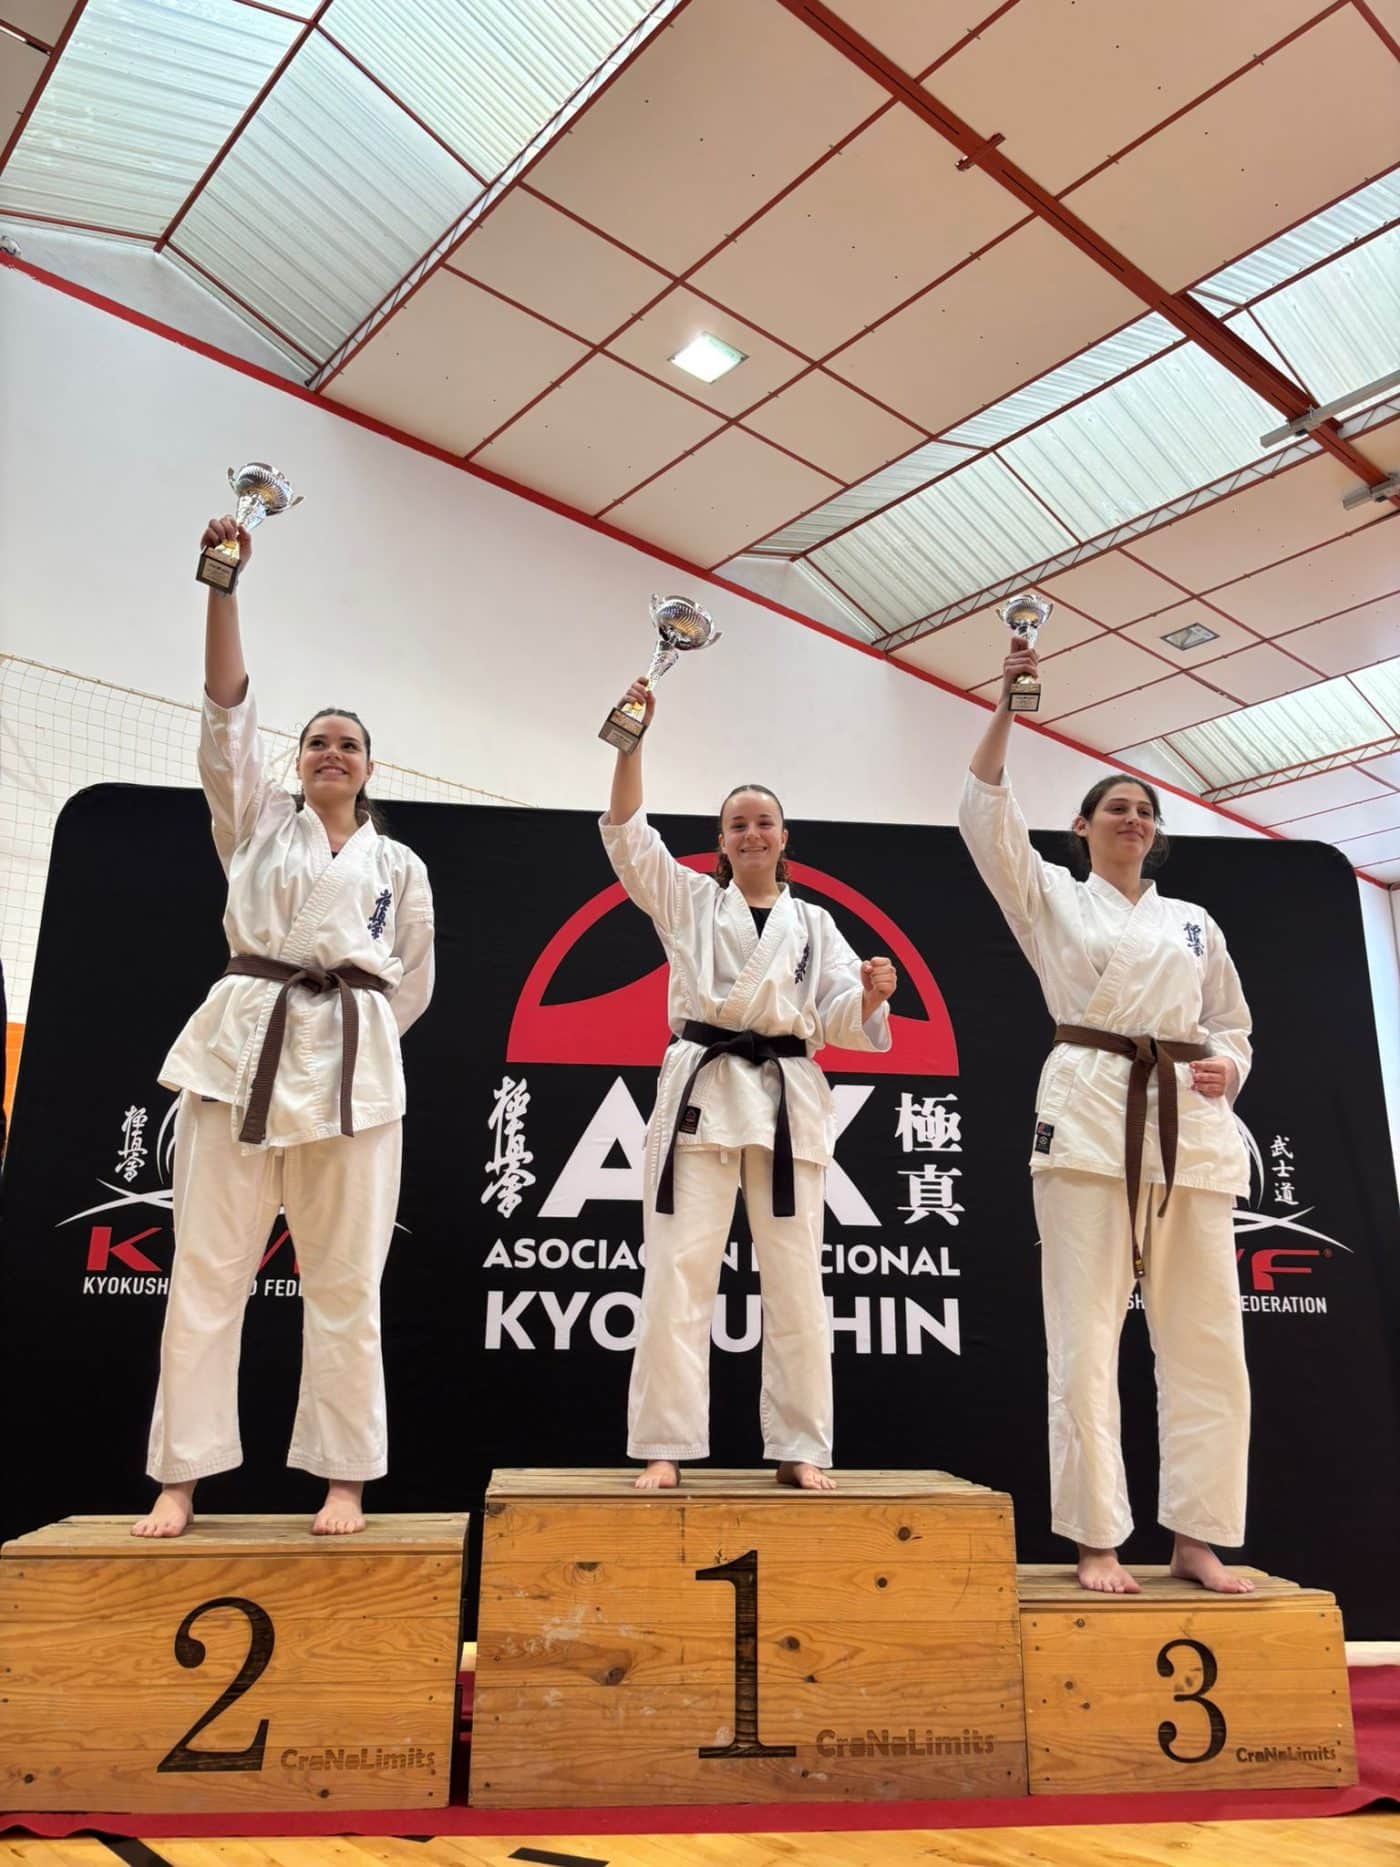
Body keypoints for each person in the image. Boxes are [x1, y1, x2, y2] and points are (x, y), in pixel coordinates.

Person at [133, 516, 435, 1539]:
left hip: (352, 1070)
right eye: (316, 742)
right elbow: (226, 717)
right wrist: (224, 586)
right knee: (210, 1268)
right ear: (297, 763)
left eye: (347, 744)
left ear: (370, 767)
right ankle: (180, 1476)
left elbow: (414, 985)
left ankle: (343, 1477)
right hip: (239, 1054)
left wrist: (347, 1023)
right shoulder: (255, 819)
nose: (330, 754)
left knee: (345, 1279)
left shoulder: (402, 870)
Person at [959, 634, 1253, 1595]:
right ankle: (1095, 1537)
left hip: (1188, 1133)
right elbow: (984, 814)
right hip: (1086, 1117)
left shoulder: (1196, 922)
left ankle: (1199, 1536)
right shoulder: (1048, 895)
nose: (1132, 818)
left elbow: (1231, 1028)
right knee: (1084, 1337)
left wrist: (1222, 1068)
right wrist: (1007, 702)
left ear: (1154, 836)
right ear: (1081, 828)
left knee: (1206, 1339)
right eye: (1115, 807)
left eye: (1145, 811)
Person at [601, 679, 896, 1493]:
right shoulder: (689, 901)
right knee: (678, 1273)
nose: (753, 832)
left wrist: (869, 994)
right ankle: (664, 1443)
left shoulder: (817, 923)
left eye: (764, 821)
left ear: (784, 836)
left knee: (798, 1281)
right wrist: (630, 746)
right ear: (721, 842)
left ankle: (801, 1444)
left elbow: (836, 1018)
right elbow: (629, 839)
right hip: (702, 1095)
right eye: (738, 823)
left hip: (786, 1103)